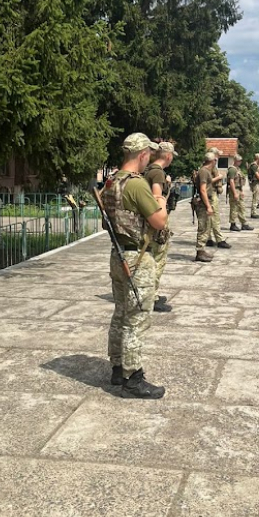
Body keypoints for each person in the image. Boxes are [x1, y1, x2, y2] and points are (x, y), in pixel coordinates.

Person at [103, 133, 167, 398]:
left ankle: (117, 367)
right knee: (136, 318)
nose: (148, 160)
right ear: (142, 155)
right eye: (148, 155)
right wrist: (161, 202)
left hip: (118, 256)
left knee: (120, 313)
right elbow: (159, 221)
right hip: (137, 259)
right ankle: (133, 377)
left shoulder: (111, 181)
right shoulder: (137, 185)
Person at [144, 142, 175, 313]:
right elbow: (157, 198)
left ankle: (151, 293)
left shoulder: (149, 170)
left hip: (148, 220)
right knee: (158, 259)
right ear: (168, 156)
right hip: (156, 221)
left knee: (152, 257)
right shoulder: (157, 173)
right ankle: (151, 297)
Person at [194, 151, 219, 262]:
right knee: (203, 227)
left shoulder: (205, 171)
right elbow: (203, 189)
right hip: (203, 204)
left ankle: (202, 250)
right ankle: (199, 252)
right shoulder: (204, 172)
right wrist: (208, 206)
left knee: (207, 227)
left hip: (205, 202)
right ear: (213, 161)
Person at [205, 146, 230, 250]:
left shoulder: (211, 167)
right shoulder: (209, 168)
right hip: (211, 194)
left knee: (209, 218)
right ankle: (219, 240)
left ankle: (208, 238)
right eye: (218, 155)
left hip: (211, 193)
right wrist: (219, 178)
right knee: (215, 218)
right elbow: (207, 181)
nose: (219, 157)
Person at [227, 155, 253, 232]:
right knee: (234, 208)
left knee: (241, 207)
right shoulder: (232, 170)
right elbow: (231, 181)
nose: (240, 162)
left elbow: (239, 181)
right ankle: (233, 224)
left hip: (238, 189)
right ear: (235, 161)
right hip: (234, 190)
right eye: (239, 161)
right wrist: (235, 193)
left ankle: (244, 224)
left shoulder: (238, 169)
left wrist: (241, 191)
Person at [247, 154, 259, 219]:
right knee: (255, 198)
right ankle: (253, 213)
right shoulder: (254, 166)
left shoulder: (256, 166)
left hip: (257, 182)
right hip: (255, 183)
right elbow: (257, 175)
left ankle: (254, 212)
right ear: (258, 158)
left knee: (256, 198)